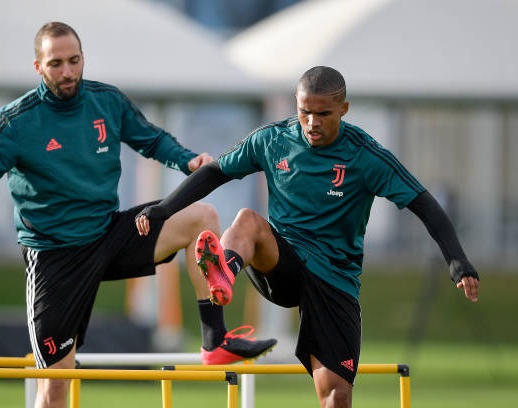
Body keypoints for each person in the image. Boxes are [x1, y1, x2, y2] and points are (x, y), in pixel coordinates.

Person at [0, 21, 276, 408]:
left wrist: (188, 160)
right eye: (56, 64)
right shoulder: (15, 121)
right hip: (55, 258)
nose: (68, 71)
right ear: (38, 67)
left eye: (74, 60)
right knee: (54, 389)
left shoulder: (107, 101)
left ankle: (214, 341)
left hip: (110, 233)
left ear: (84, 58)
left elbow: (151, 139)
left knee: (202, 215)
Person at [135, 66, 480, 408]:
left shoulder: (365, 156)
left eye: (323, 114)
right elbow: (215, 172)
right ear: (296, 106)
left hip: (333, 279)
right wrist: (165, 208)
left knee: (336, 395)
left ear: (344, 109)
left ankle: (225, 268)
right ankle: (224, 269)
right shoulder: (273, 139)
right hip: (280, 263)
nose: (312, 122)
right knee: (247, 221)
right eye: (304, 112)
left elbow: (423, 203)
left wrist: (457, 260)